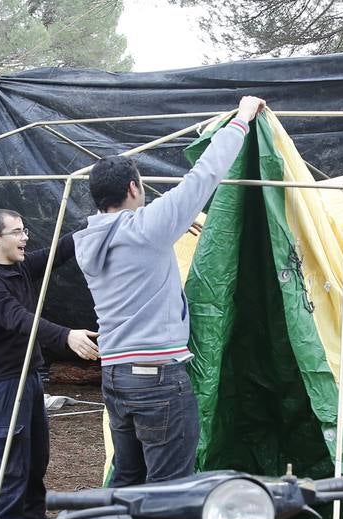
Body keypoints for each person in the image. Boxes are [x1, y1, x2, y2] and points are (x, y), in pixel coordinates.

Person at [74, 95, 267, 487]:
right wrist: (242, 119)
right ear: (133, 187)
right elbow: (204, 176)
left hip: (115, 374)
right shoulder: (147, 228)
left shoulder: (86, 241)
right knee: (169, 484)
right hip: (157, 377)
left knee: (128, 474)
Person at [0, 209, 99, 519]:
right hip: (5, 380)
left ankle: (30, 514)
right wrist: (66, 336)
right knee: (9, 457)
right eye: (16, 232)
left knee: (37, 452)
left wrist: (101, 219)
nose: (25, 237)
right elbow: (19, 319)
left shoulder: (21, 266)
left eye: (24, 230)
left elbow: (61, 250)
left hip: (29, 375)